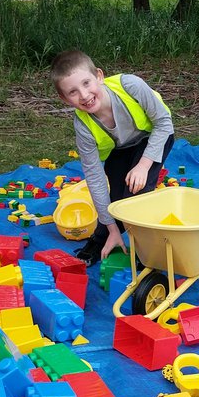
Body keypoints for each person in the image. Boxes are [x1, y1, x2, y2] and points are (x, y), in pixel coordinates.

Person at [51, 50, 174, 265]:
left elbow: (164, 124)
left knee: (136, 195)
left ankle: (146, 251)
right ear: (64, 98)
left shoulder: (130, 85)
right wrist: (110, 227)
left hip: (154, 137)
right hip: (121, 148)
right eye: (73, 92)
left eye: (87, 83)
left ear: (99, 76)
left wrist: (143, 166)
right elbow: (95, 177)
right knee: (116, 197)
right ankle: (105, 237)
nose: (84, 95)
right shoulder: (83, 126)